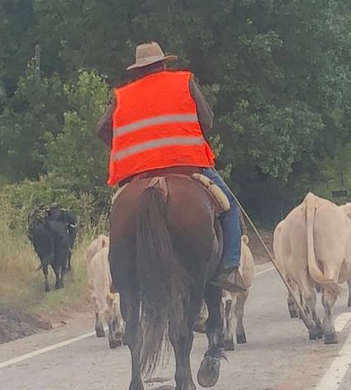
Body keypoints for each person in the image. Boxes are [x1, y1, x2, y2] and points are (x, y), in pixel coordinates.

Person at [97, 41, 245, 292]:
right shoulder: (184, 82)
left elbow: (102, 128)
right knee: (229, 206)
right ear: (163, 64)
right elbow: (207, 120)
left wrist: (126, 145)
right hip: (187, 164)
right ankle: (229, 268)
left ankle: (118, 275)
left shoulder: (123, 95)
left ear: (137, 70)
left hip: (139, 170)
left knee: (117, 214)